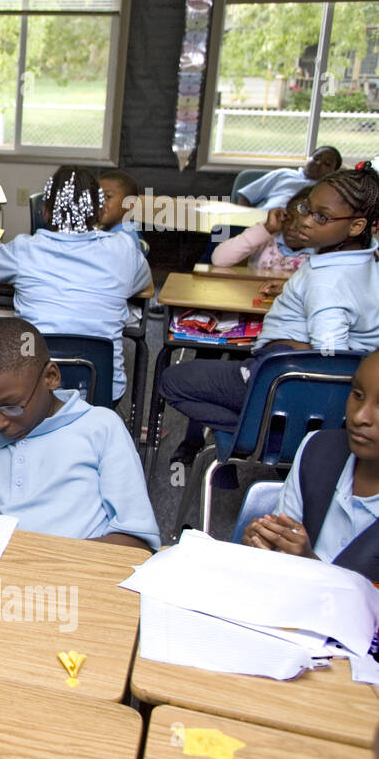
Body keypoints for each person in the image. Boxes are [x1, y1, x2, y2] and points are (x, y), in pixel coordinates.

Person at [161, 164, 379, 440]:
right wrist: (295, 288)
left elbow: (331, 362)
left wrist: (302, 348)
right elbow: (345, 303)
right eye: (307, 209)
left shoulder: (325, 281)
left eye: (322, 218)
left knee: (172, 382)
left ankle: (260, 433)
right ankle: (271, 428)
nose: (307, 222)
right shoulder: (367, 263)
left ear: (356, 226)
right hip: (293, 377)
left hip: (282, 377)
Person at [0, 318, 158, 550]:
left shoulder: (102, 428)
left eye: (11, 406)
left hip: (75, 577)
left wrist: (39, 560)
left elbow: (136, 543)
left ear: (51, 377)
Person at [0, 165, 151, 405]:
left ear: (45, 211)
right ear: (99, 211)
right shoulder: (124, 250)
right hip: (100, 390)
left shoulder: (23, 249)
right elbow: (141, 284)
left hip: (32, 387)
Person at [243, 349, 379, 581]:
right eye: (357, 394)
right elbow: (279, 551)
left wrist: (310, 564)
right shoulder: (317, 449)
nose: (360, 417)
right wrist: (266, 544)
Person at [211, 187, 313, 274]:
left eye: (301, 225)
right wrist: (266, 229)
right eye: (289, 218)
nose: (291, 227)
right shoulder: (268, 234)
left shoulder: (321, 252)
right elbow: (219, 259)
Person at [234, 146, 341, 208]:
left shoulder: (328, 190)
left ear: (333, 172)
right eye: (316, 158)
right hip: (263, 224)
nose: (318, 163)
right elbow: (245, 196)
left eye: (327, 163)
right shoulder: (284, 174)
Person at [98, 169, 146, 251]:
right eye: (97, 197)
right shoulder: (107, 232)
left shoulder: (125, 239)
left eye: (108, 196)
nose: (100, 202)